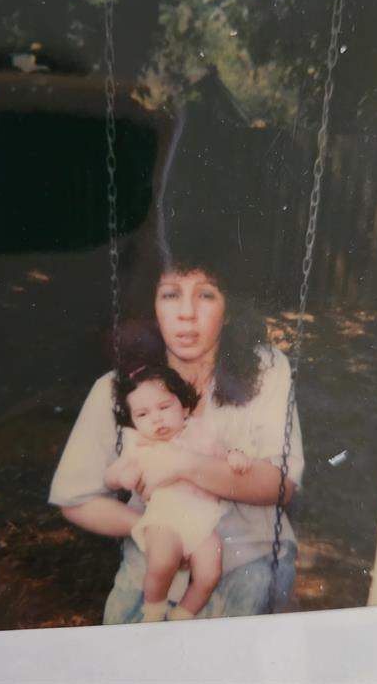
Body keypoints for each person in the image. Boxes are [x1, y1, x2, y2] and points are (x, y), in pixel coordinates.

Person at [49, 259, 304, 623]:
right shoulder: (120, 388)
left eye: (205, 295)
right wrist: (146, 529)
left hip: (249, 562)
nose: (186, 313)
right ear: (151, 307)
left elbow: (281, 485)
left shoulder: (265, 371)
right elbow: (75, 498)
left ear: (229, 308)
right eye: (170, 295)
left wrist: (182, 463)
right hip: (154, 569)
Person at [104, 363, 250, 621]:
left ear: (184, 407)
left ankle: (183, 615)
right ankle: (154, 611)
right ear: (133, 422)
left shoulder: (200, 433)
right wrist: (123, 475)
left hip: (204, 522)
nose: (156, 419)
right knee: (162, 562)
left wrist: (234, 456)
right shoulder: (141, 445)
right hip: (165, 518)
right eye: (143, 415)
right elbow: (110, 477)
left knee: (209, 573)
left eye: (164, 407)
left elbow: (221, 456)